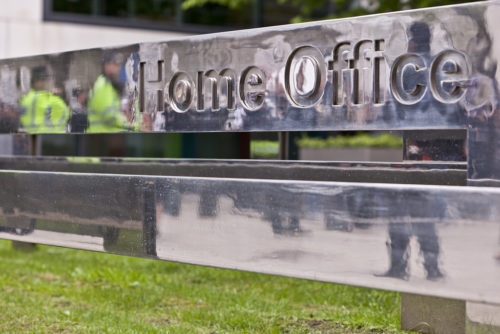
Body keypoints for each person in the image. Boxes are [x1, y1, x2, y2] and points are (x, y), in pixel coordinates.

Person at [86, 51, 136, 133]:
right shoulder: (103, 85)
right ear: (107, 65)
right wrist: (131, 126)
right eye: (115, 64)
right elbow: (109, 116)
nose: (118, 68)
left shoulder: (105, 84)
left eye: (119, 65)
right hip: (101, 136)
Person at [19, 66, 70, 134]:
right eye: (45, 79)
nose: (46, 82)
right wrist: (60, 97)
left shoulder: (25, 100)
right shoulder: (51, 100)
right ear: (37, 81)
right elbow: (66, 114)